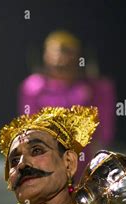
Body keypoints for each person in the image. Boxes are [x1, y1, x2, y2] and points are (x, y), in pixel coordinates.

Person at [18, 31, 115, 177]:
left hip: (86, 162)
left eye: (66, 51)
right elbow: (30, 129)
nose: (59, 57)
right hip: (48, 162)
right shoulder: (34, 86)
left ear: (78, 56)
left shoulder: (97, 87)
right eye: (54, 51)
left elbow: (104, 130)